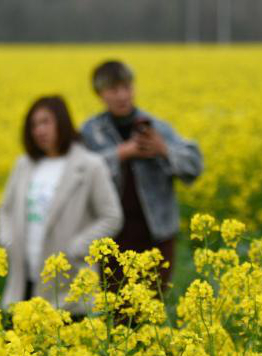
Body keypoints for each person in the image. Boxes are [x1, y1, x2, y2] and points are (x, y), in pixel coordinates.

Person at [80, 60, 203, 295]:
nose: (122, 95)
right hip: (110, 239)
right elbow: (77, 173)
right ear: (100, 94)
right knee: (118, 312)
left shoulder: (157, 127)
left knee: (151, 309)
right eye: (114, 90)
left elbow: (194, 165)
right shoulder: (90, 132)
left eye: (127, 87)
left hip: (156, 237)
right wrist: (121, 154)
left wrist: (163, 149)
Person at [0, 95, 123, 316]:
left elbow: (112, 216)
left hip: (69, 284)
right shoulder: (24, 165)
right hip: (24, 279)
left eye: (46, 122)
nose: (39, 130)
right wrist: (8, 242)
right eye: (34, 125)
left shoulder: (90, 165)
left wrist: (79, 246)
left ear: (63, 123)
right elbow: (5, 210)